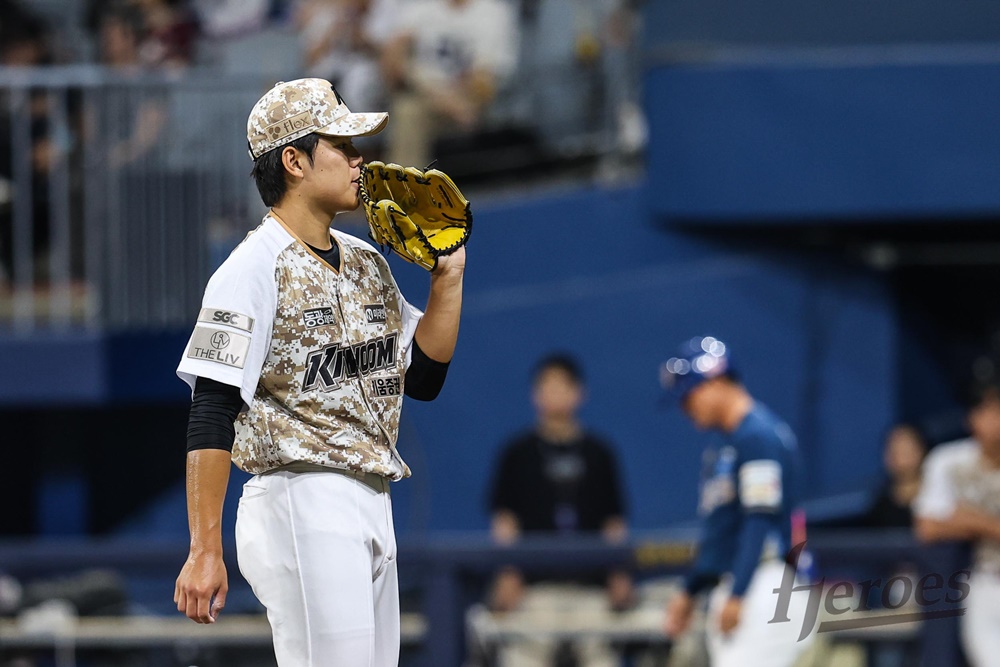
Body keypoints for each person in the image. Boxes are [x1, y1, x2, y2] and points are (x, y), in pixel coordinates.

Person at [173, 77, 466, 667]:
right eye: (344, 147)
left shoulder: (364, 259)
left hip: (371, 495)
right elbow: (211, 410)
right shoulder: (251, 268)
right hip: (299, 495)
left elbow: (423, 379)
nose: (362, 161)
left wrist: (448, 278)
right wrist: (204, 546)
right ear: (294, 161)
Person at [660, 336, 814, 667]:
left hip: (764, 582)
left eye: (690, 395)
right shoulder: (730, 442)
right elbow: (723, 532)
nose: (686, 408)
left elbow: (759, 519)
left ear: (716, 380)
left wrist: (738, 593)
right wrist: (691, 589)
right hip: (744, 581)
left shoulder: (757, 435)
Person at [485, 353, 631, 667]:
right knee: (521, 659)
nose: (555, 393)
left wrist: (619, 575)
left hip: (591, 590)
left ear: (579, 393)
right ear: (535, 395)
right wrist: (508, 573)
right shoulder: (517, 453)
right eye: (546, 386)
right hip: (535, 590)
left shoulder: (599, 453)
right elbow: (505, 521)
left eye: (563, 386)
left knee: (602, 659)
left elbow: (614, 522)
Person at [914, 378, 1000, 667]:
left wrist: (971, 519)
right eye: (989, 411)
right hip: (984, 580)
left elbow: (954, 519)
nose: (996, 421)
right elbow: (927, 527)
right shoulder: (950, 460)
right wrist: (990, 526)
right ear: (972, 418)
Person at [379, 0, 518, 168]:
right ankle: (404, 189)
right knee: (407, 110)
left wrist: (453, 98)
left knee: (410, 110)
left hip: (467, 100)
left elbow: (484, 82)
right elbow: (393, 62)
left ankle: (405, 186)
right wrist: (439, 97)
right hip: (425, 94)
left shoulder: (493, 12)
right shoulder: (421, 8)